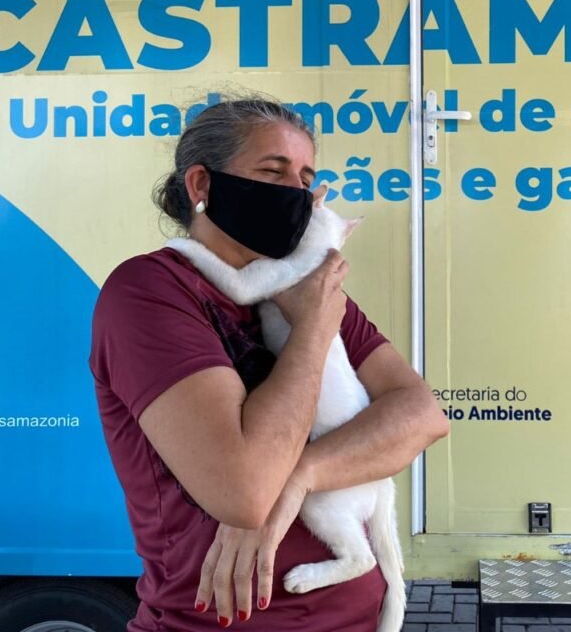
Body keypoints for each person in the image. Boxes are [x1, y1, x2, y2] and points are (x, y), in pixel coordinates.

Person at [90, 97, 449, 631]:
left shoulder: (311, 288)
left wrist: (302, 476)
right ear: (202, 185)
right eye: (272, 172)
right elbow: (245, 492)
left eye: (305, 180)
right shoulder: (152, 292)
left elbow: (422, 416)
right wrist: (313, 329)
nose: (294, 194)